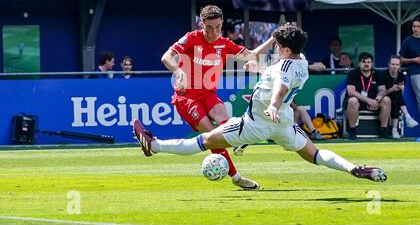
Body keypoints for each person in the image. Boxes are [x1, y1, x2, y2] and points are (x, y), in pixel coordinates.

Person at [134, 24, 387, 184]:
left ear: (286, 51)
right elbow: (275, 72)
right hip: (284, 125)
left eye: (278, 46)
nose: (275, 49)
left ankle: (154, 145)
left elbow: (281, 86)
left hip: (257, 124)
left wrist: (273, 106)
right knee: (315, 155)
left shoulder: (284, 68)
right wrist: (260, 66)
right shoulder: (300, 61)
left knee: (204, 141)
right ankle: (353, 168)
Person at [160, 5, 276, 190]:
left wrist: (273, 38)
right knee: (211, 136)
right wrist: (178, 70)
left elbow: (252, 55)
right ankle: (236, 177)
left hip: (208, 94)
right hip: (186, 98)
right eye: (209, 27)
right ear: (201, 25)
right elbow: (166, 57)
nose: (214, 32)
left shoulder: (225, 44)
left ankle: (238, 142)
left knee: (226, 122)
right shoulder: (191, 38)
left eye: (218, 27)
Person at [343, 52, 391, 139]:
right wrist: (368, 100)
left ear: (372, 63)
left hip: (373, 101)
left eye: (369, 62)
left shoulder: (377, 73)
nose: (366, 64)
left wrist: (377, 100)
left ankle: (383, 130)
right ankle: (352, 130)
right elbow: (351, 91)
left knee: (387, 100)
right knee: (353, 100)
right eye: (364, 62)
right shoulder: (353, 73)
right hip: (358, 101)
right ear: (359, 63)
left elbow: (382, 90)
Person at [381, 55, 419, 139]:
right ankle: (407, 117)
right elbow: (381, 93)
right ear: (389, 64)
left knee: (396, 100)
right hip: (383, 98)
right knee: (395, 95)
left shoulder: (401, 76)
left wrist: (400, 88)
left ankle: (395, 129)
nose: (395, 66)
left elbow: (401, 92)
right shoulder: (383, 74)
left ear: (399, 66)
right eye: (393, 64)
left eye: (397, 65)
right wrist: (392, 89)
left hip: (395, 99)